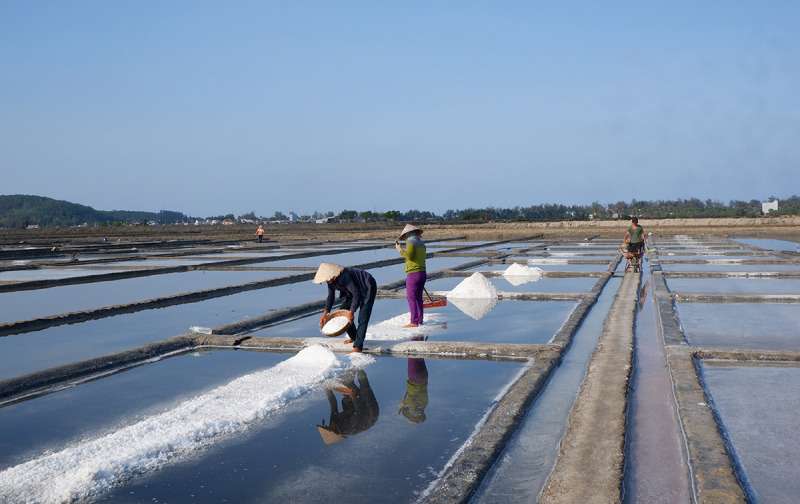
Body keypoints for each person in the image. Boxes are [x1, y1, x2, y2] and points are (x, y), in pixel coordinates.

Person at [315, 263, 377, 353]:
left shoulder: (344, 276)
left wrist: (352, 311)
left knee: (363, 317)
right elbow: (330, 297)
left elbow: (356, 294)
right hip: (353, 291)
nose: (327, 282)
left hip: (367, 286)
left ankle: (358, 347)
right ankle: (355, 338)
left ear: (333, 275)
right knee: (343, 313)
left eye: (327, 280)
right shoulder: (330, 281)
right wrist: (325, 313)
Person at [316, 369, 380, 445]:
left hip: (356, 412)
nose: (327, 425)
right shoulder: (348, 427)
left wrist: (326, 388)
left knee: (347, 390)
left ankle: (349, 381)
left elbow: (333, 405)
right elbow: (360, 412)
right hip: (371, 414)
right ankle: (360, 368)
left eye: (326, 426)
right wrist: (353, 397)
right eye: (327, 427)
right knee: (365, 389)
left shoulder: (333, 423)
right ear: (333, 430)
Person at [395, 224, 427, 328]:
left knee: (411, 297)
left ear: (408, 233)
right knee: (418, 298)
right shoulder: (421, 243)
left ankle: (414, 321)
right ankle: (420, 320)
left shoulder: (410, 241)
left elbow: (409, 256)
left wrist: (399, 249)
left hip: (413, 273)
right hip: (422, 273)